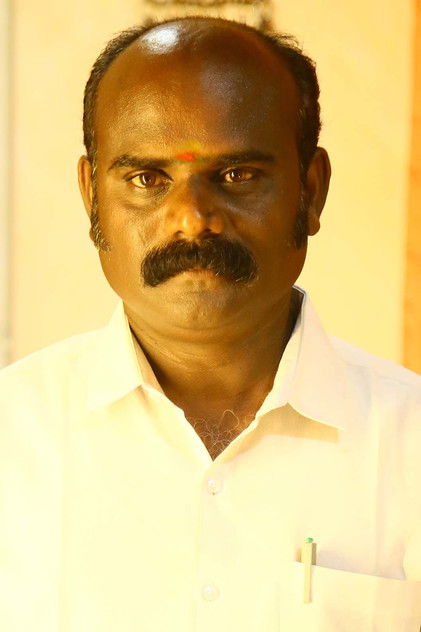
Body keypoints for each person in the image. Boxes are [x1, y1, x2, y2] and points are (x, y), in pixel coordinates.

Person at [1, 15, 420, 631]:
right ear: (92, 196)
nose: (193, 218)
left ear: (311, 190)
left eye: (237, 176)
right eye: (148, 179)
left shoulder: (410, 443)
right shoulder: (13, 435)